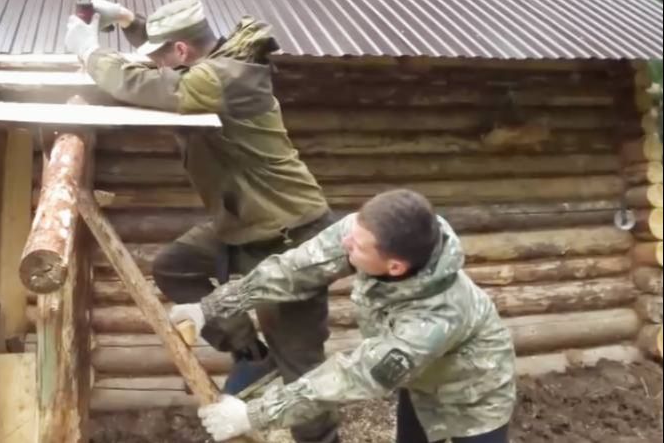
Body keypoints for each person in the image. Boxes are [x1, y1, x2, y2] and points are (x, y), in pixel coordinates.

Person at [65, 0, 340, 443]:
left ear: (181, 52)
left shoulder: (222, 78)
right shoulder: (213, 61)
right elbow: (167, 64)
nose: (155, 63)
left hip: (288, 233)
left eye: (161, 55)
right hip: (242, 220)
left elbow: (147, 84)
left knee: (300, 361)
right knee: (175, 266)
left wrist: (89, 51)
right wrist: (132, 23)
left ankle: (321, 438)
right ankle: (249, 348)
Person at [171, 189, 516, 443]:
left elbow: (355, 374)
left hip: (475, 398)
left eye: (358, 246)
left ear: (395, 267)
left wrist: (255, 414)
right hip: (422, 382)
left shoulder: (434, 319)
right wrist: (211, 307)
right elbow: (296, 269)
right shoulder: (368, 231)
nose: (346, 241)